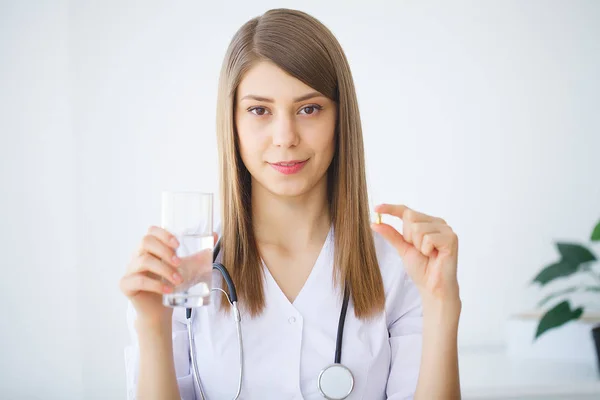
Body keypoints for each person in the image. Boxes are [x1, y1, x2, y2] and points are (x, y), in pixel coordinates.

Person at [120, 8, 461, 400]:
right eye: (259, 110)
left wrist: (441, 308)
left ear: (340, 118)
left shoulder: (400, 268)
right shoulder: (181, 270)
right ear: (232, 123)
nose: (285, 137)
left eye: (309, 109)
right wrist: (152, 325)